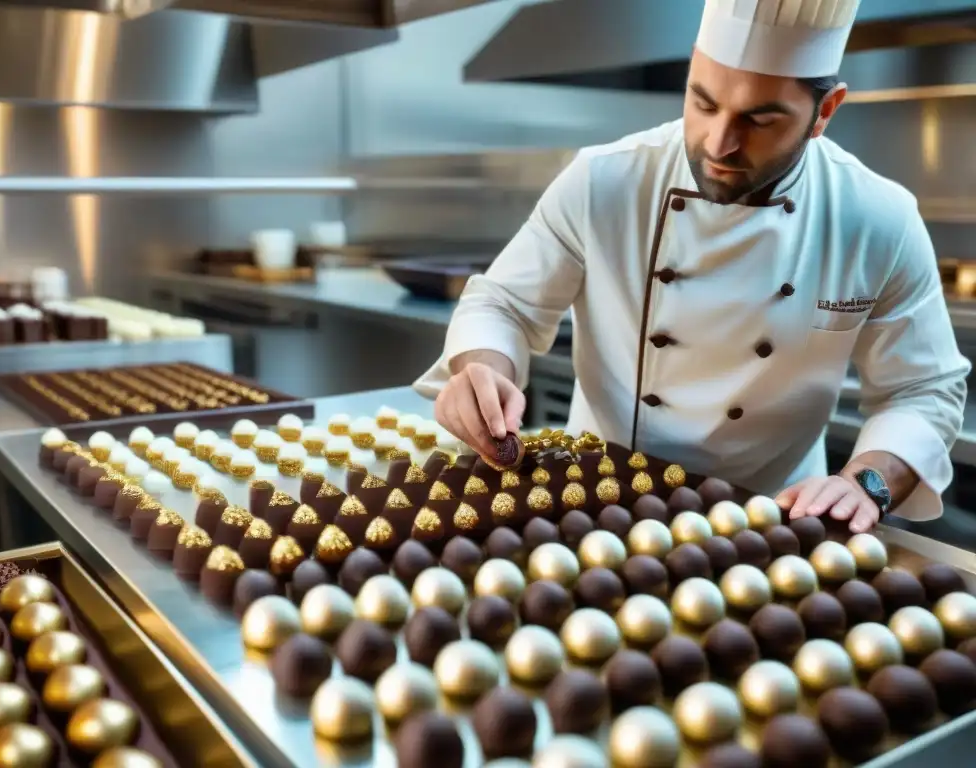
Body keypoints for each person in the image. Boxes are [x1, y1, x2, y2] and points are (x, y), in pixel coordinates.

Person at [413, 0, 970, 534]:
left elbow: (923, 388)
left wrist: (867, 483)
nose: (718, 144)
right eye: (703, 102)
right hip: (594, 499)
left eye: (759, 120)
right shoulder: (605, 181)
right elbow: (502, 303)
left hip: (777, 519)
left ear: (824, 112)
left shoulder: (876, 218)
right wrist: (483, 370)